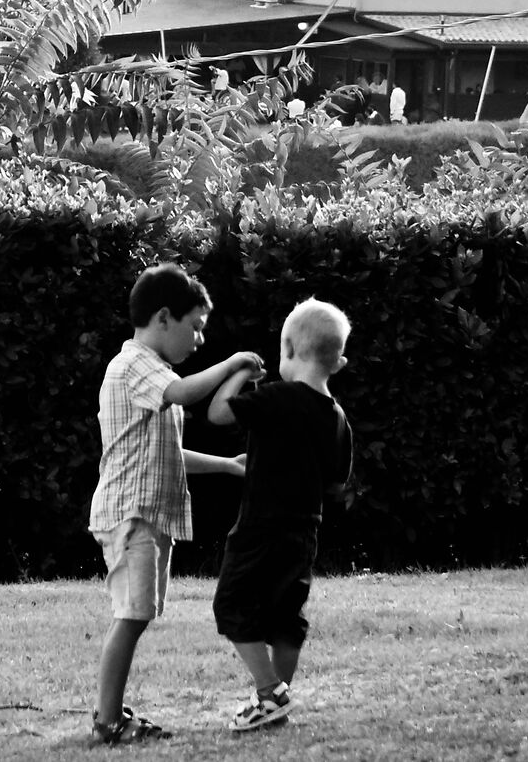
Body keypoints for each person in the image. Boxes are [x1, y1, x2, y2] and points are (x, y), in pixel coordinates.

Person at [88, 265, 259, 744]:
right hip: (131, 515)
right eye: (197, 327)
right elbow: (184, 391)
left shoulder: (151, 374)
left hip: (144, 514)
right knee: (132, 614)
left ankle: (109, 713)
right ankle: (107, 721)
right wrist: (233, 364)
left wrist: (229, 465)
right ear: (163, 317)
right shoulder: (136, 364)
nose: (200, 340)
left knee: (137, 613)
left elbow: (167, 453)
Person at [204, 298, 356, 732]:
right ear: (338, 362)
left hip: (260, 525)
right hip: (304, 530)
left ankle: (270, 691)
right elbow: (335, 483)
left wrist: (239, 373)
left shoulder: (278, 398)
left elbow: (218, 413)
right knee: (286, 615)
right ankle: (274, 702)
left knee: (232, 603)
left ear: (288, 349)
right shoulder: (338, 419)